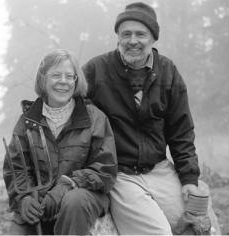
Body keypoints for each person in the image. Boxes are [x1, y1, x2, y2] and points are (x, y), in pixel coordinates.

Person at [83, 2, 219, 235]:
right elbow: (67, 103)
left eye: (141, 34)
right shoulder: (96, 70)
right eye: (126, 34)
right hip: (121, 174)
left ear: (153, 38)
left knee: (197, 227)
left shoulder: (168, 72)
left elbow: (181, 132)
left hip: (159, 169)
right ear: (117, 38)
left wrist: (188, 178)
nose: (133, 40)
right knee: (158, 233)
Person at [3, 49, 117, 235]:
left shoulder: (94, 117)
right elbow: (16, 167)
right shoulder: (28, 121)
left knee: (74, 202)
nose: (63, 81)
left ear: (76, 81)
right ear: (43, 79)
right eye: (56, 75)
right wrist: (23, 198)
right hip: (41, 201)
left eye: (69, 76)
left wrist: (67, 184)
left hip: (83, 195)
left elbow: (105, 169)